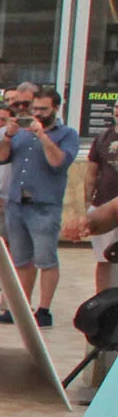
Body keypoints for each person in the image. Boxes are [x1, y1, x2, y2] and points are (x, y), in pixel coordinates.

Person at [0, 86, 79, 327]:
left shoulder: (67, 134)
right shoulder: (21, 132)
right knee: (21, 260)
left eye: (43, 109)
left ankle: (44, 309)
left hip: (44, 205)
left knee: (45, 258)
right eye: (35, 108)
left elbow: (58, 163)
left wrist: (42, 136)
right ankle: (20, 307)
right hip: (17, 203)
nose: (37, 113)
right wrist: (7, 135)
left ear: (56, 109)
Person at [85, 112, 118, 295]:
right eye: (117, 107)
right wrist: (88, 204)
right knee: (103, 260)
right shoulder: (103, 138)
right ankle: (103, 303)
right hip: (103, 205)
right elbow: (91, 173)